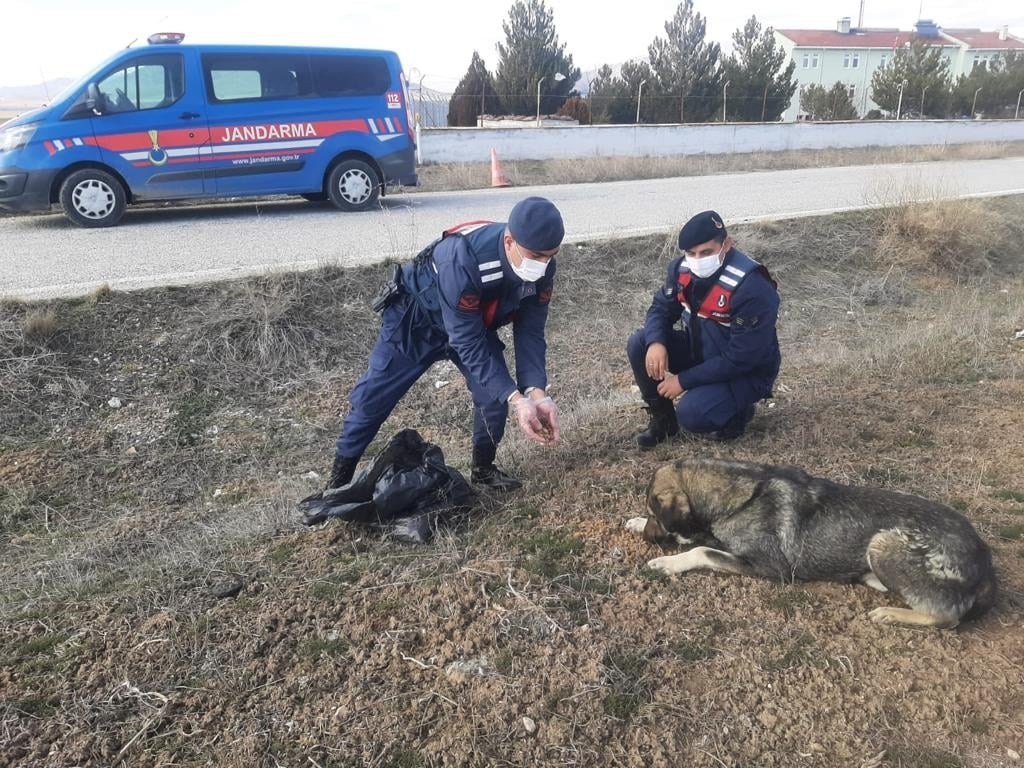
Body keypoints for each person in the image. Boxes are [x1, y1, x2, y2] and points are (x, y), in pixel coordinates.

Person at [327, 196, 565, 491]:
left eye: (550, 256)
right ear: (508, 242)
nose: (542, 265)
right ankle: (337, 482)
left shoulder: (542, 267)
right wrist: (517, 400)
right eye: (536, 256)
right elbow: (465, 339)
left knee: (492, 397)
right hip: (417, 321)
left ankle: (483, 469)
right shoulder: (462, 256)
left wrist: (535, 393)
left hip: (472, 321)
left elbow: (530, 331)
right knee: (373, 398)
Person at [626, 210, 780, 447]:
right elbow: (660, 308)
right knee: (640, 342)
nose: (698, 259)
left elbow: (743, 358)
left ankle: (738, 413)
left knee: (693, 414)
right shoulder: (681, 269)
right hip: (701, 353)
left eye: (706, 252)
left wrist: (683, 381)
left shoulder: (752, 286)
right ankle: (663, 421)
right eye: (691, 253)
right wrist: (656, 342)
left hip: (746, 371)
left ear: (726, 245)